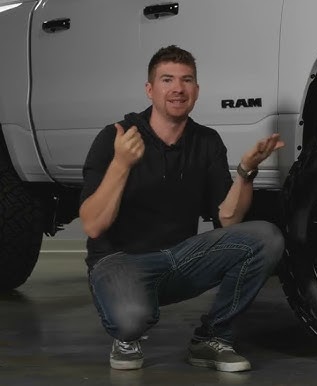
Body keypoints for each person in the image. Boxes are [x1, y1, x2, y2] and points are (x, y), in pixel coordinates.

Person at [79, 45, 285, 372]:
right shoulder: (116, 137)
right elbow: (92, 225)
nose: (178, 88)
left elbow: (228, 219)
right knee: (132, 320)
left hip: (179, 259)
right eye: (167, 80)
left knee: (266, 238)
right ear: (150, 90)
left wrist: (246, 172)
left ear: (197, 90)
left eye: (186, 80)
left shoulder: (206, 141)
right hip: (121, 261)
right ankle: (126, 335)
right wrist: (121, 164)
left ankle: (212, 338)